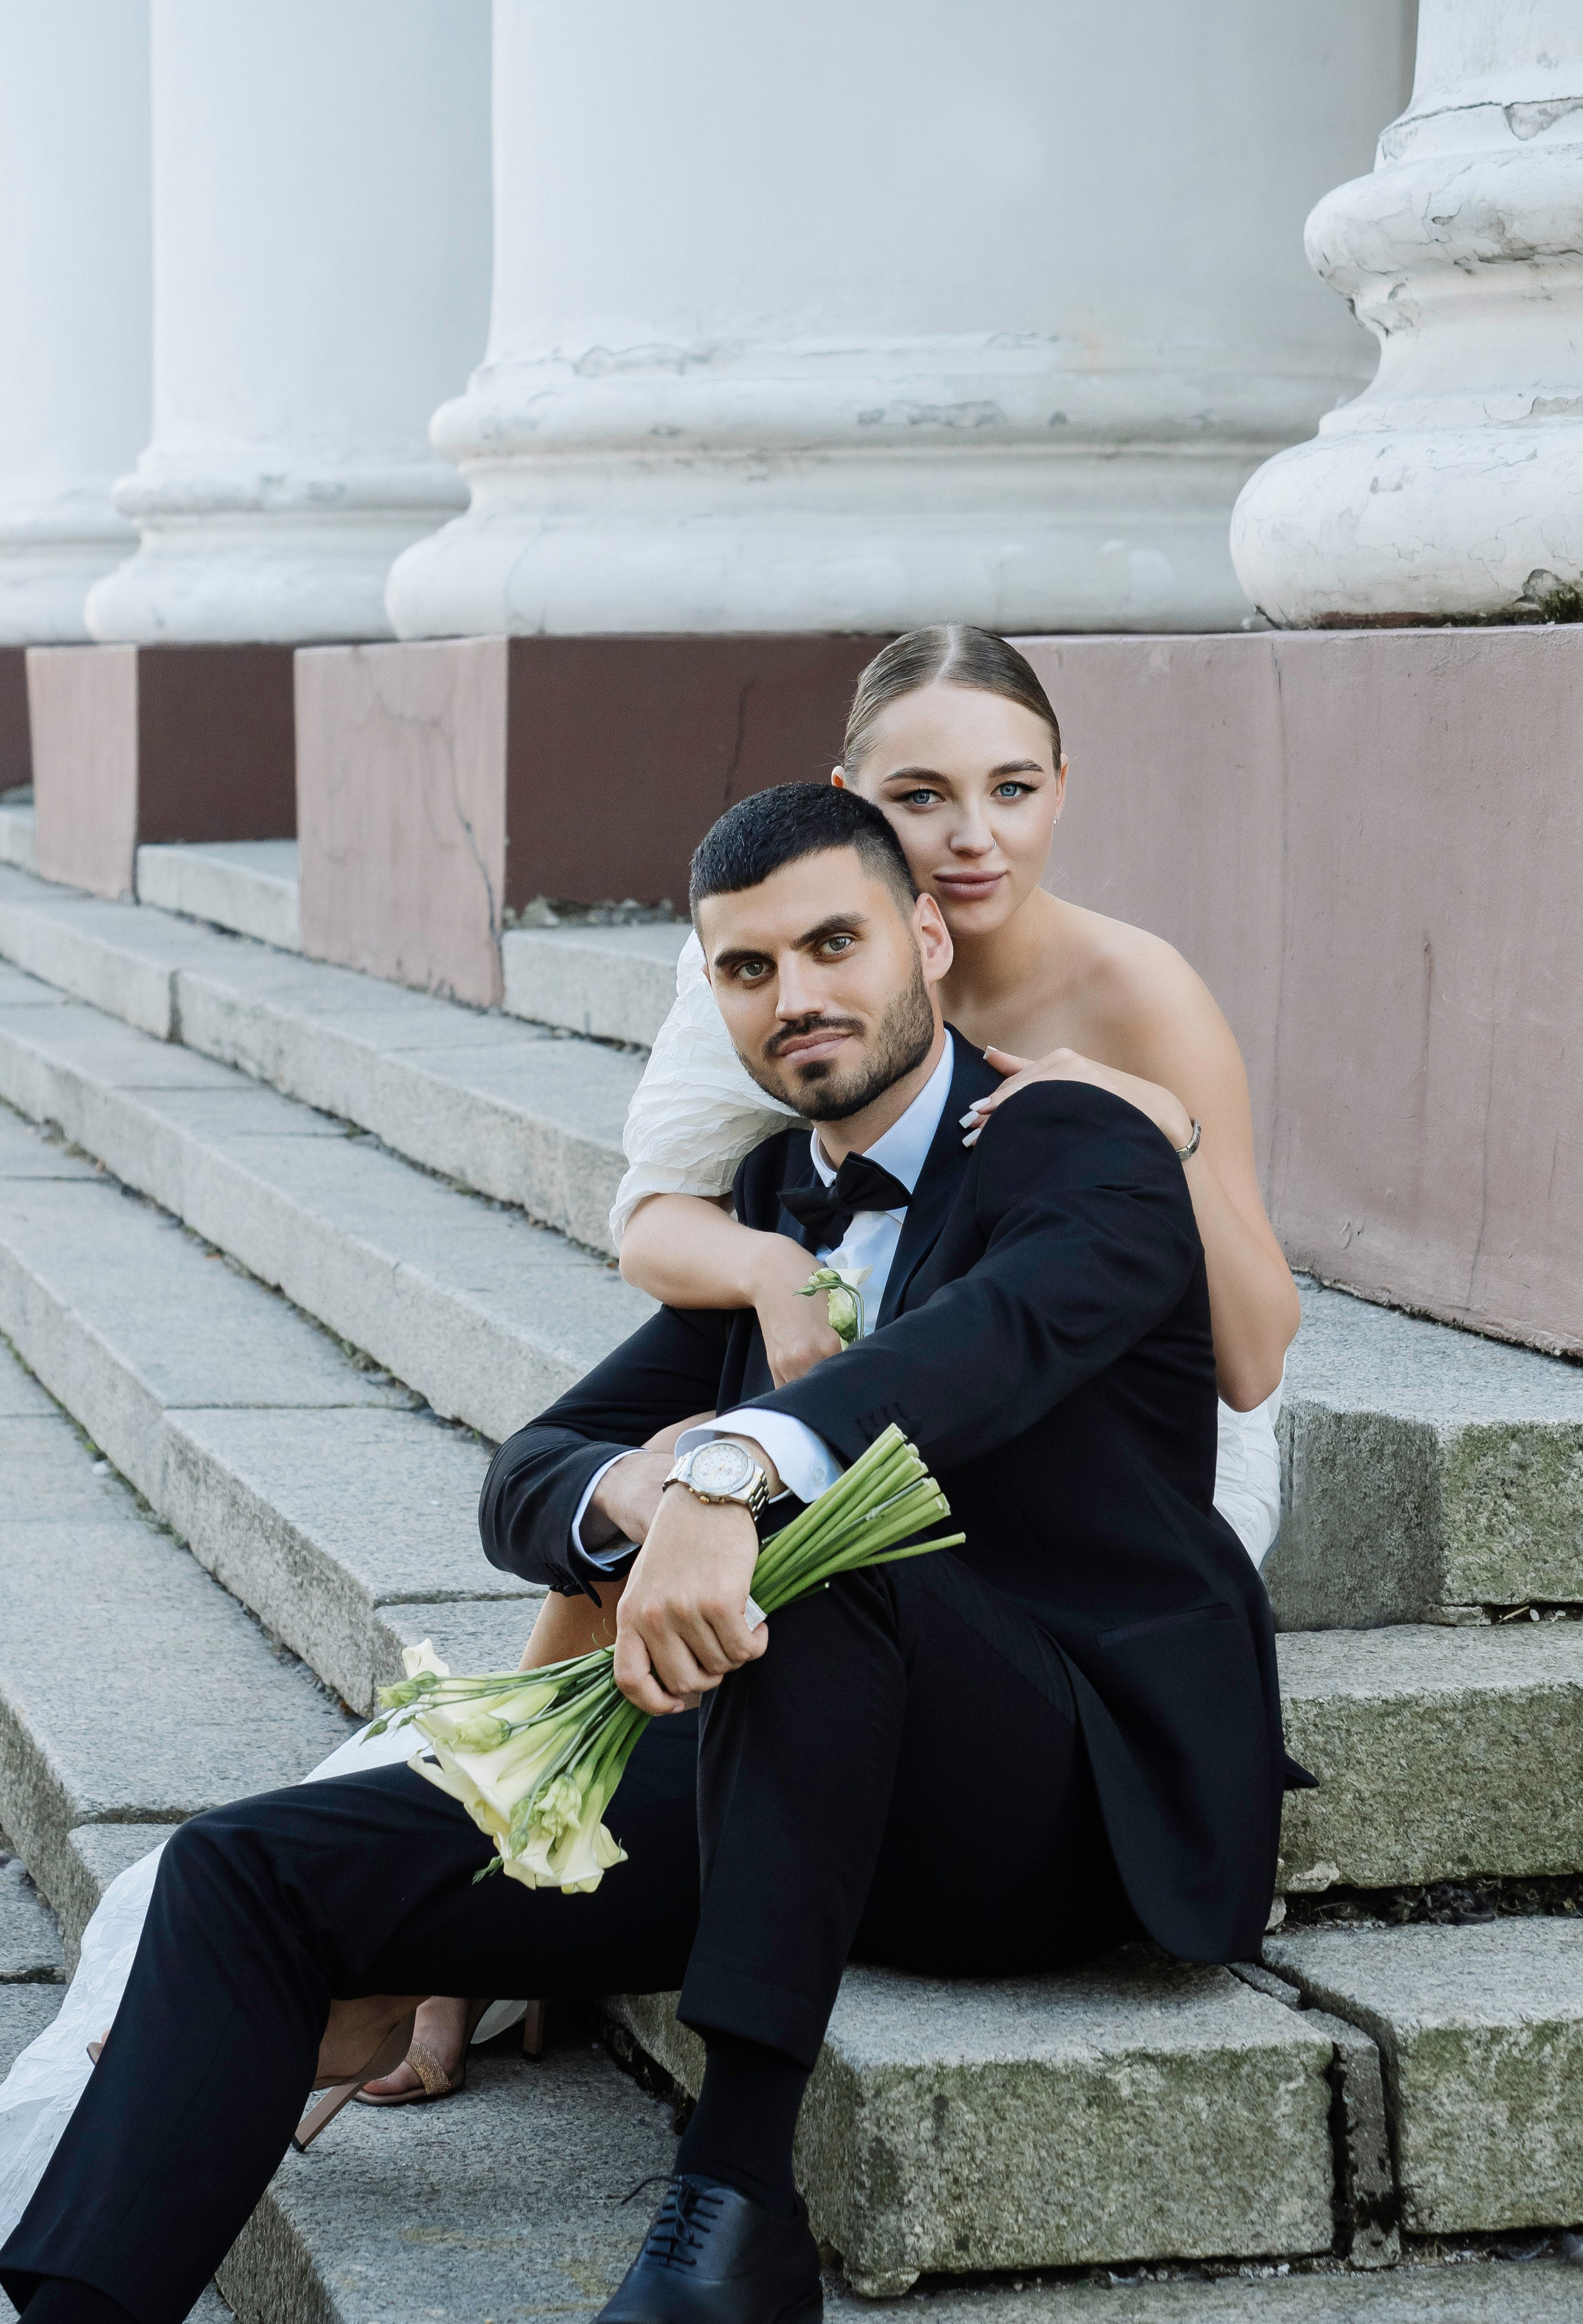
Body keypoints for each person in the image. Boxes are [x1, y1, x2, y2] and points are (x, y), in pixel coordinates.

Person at [1, 782, 1304, 2324]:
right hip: (804, 1792)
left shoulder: (1076, 1143)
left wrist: (740, 1471)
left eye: (834, 944)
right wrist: (650, 1482)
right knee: (246, 1875)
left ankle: (733, 2208)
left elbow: (987, 1345)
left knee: (818, 1552)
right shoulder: (767, 1207)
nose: (797, 996)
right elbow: (532, 1473)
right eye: (747, 969)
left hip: (1059, 1791)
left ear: (928, 938)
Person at [373, 623, 1300, 2107]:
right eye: (920, 797)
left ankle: (644, 2034)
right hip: (851, 1356)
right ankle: (495, 1885)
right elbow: (658, 1222)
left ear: (1061, 788)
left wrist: (1152, 1131)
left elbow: (1248, 1361)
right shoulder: (780, 959)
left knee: (784, 1501)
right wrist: (768, 1282)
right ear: (849, 794)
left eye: (1008, 788)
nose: (968, 836)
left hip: (1101, 1440)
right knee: (695, 1464)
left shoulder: (1135, 989)